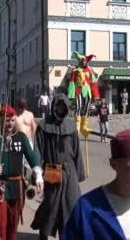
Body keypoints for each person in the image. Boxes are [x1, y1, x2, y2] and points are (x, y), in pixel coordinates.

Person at [0, 105, 43, 240]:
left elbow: (33, 159)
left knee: (13, 228)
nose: (10, 124)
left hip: (17, 188)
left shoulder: (21, 137)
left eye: (12, 120)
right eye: (7, 120)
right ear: (0, 119)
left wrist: (38, 176)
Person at [31, 94, 85, 239]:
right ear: (53, 106)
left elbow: (76, 150)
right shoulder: (44, 125)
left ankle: (65, 236)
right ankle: (43, 235)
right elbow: (38, 149)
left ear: (67, 107)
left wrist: (79, 173)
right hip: (52, 169)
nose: (60, 108)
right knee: (50, 205)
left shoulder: (71, 124)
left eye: (63, 106)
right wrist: (37, 172)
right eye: (58, 105)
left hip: (69, 171)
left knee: (70, 206)